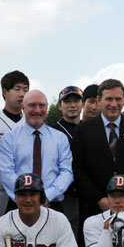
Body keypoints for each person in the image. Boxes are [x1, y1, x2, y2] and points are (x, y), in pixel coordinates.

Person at [72, 78, 124, 218]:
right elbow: (78, 170)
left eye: (118, 99)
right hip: (94, 210)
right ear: (99, 100)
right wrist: (99, 200)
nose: (114, 104)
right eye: (109, 99)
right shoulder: (83, 130)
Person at [0, 89, 72, 213]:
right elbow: (7, 174)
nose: (37, 110)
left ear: (47, 107)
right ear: (23, 107)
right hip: (19, 205)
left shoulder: (60, 138)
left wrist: (46, 196)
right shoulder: (9, 139)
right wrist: (27, 198)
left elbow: (66, 172)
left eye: (42, 105)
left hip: (52, 204)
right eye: (32, 105)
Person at [0, 70, 30, 216]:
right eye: (17, 89)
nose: (22, 94)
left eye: (25, 89)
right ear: (5, 92)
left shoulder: (32, 122)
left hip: (27, 190)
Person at [51, 85, 84, 234]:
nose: (72, 105)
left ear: (82, 103)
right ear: (59, 105)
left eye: (76, 101)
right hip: (64, 195)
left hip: (86, 194)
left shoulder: (90, 128)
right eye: (67, 101)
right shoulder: (52, 131)